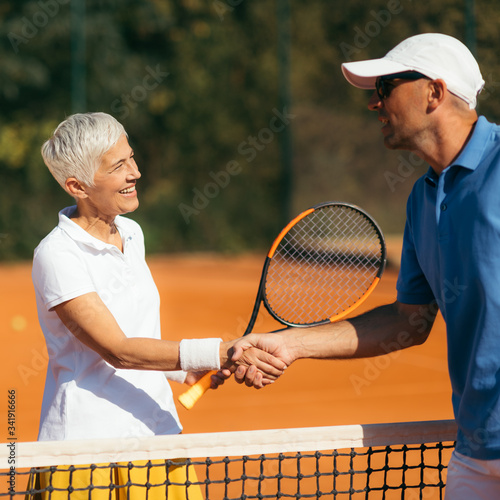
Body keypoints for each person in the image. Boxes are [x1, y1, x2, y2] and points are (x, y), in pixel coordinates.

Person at [226, 33, 500, 498]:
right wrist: (291, 345)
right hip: (476, 449)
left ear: (434, 92)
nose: (375, 104)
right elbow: (408, 321)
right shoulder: (423, 199)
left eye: (386, 87)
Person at [30, 112, 285, 500]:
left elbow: (139, 332)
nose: (135, 172)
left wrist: (183, 373)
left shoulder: (132, 233)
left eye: (131, 157)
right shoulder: (57, 255)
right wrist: (216, 351)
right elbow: (117, 349)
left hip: (157, 437)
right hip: (85, 454)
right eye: (118, 166)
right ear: (77, 186)